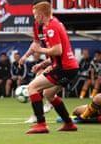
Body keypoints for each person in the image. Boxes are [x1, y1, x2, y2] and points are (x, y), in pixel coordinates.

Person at [19, 1, 79, 134]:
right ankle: (69, 123)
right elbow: (60, 53)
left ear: (41, 14)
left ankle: (41, 124)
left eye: (35, 15)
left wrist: (39, 49)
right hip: (70, 68)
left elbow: (57, 51)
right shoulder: (56, 23)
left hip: (63, 68)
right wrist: (43, 64)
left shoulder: (51, 28)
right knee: (49, 94)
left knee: (32, 87)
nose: (34, 18)